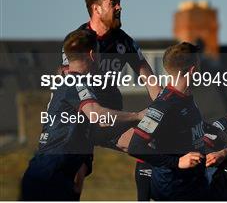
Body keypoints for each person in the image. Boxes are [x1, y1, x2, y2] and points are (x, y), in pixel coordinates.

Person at [62, 0, 161, 199]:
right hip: (81, 121)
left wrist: (165, 106)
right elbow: (64, 81)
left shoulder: (124, 42)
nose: (119, 7)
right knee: (75, 179)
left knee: (151, 146)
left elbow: (149, 80)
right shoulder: (77, 41)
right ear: (96, 8)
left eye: (119, 2)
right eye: (113, 2)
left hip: (112, 119)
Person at [21, 29, 144, 200]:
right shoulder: (76, 83)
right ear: (92, 55)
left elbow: (92, 127)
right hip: (51, 175)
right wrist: (137, 116)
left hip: (44, 172)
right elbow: (97, 114)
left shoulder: (65, 82)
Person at [126, 42, 208, 200]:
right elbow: (135, 147)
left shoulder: (186, 97)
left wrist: (216, 131)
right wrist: (177, 162)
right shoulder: (164, 105)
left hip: (195, 187)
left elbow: (184, 126)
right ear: (193, 70)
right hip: (175, 190)